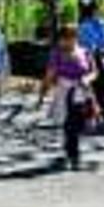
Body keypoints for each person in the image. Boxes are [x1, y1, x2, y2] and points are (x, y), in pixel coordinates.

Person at [39, 24, 98, 170]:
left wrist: (87, 79)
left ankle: (70, 148)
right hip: (65, 92)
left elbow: (94, 71)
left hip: (82, 91)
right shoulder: (57, 54)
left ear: (75, 38)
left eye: (70, 38)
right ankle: (74, 155)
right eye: (63, 39)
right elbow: (49, 75)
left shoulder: (85, 52)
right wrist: (42, 93)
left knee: (79, 123)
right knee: (70, 124)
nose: (66, 42)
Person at [78, 0, 104, 125]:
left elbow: (85, 46)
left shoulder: (84, 26)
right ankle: (102, 105)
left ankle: (101, 106)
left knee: (95, 81)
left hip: (96, 57)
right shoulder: (103, 24)